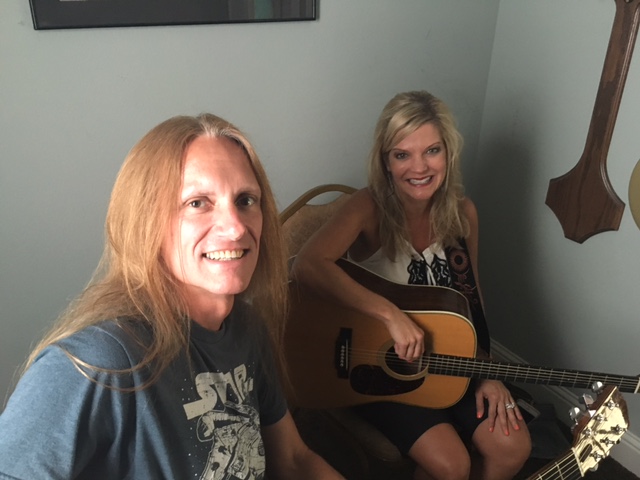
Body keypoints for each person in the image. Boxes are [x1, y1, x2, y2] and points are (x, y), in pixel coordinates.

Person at [0, 113, 344, 480]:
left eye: (246, 200)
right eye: (198, 202)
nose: (236, 226)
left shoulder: (246, 328)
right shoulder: (99, 360)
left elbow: (294, 460)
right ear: (147, 220)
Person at [292, 91, 532, 480]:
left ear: (449, 153)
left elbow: (472, 300)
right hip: (379, 367)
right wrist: (389, 315)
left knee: (512, 447)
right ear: (385, 161)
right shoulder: (367, 207)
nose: (418, 167)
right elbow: (307, 265)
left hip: (448, 358)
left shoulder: (463, 214)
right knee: (452, 465)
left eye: (432, 151)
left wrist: (488, 372)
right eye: (402, 154)